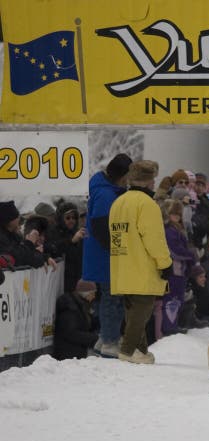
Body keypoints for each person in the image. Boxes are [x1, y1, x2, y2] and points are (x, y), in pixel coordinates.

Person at [109, 160, 173, 365]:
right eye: (153, 179)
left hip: (122, 265)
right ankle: (128, 350)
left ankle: (140, 349)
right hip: (142, 267)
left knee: (133, 311)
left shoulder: (119, 202)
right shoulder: (147, 205)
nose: (155, 183)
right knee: (141, 312)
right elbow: (154, 238)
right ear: (147, 181)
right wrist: (165, 263)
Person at [83, 153, 131, 359]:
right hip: (106, 256)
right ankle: (110, 341)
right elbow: (102, 227)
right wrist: (116, 248)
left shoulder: (106, 191)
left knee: (109, 297)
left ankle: (105, 337)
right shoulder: (105, 195)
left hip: (102, 255)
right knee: (112, 298)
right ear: (122, 175)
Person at [162, 199, 197, 336]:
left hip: (179, 270)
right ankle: (169, 328)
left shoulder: (177, 229)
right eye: (173, 213)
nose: (176, 216)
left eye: (178, 214)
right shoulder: (170, 230)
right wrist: (190, 255)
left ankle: (172, 326)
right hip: (173, 270)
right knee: (172, 300)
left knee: (177, 299)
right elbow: (175, 250)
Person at [54, 279, 99, 360]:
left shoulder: (81, 304)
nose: (94, 296)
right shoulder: (70, 308)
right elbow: (71, 333)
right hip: (69, 355)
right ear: (86, 294)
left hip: (77, 352)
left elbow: (87, 324)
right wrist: (95, 338)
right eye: (92, 293)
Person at [46, 202, 86, 292]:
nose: (71, 220)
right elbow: (51, 247)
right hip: (60, 281)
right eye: (68, 218)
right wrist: (71, 241)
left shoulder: (79, 232)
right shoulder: (53, 231)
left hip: (78, 279)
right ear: (61, 218)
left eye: (74, 217)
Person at [0, 200, 51, 268]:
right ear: (10, 220)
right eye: (17, 216)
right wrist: (30, 242)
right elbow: (17, 257)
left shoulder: (15, 236)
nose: (19, 219)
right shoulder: (2, 237)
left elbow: (28, 257)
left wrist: (44, 258)